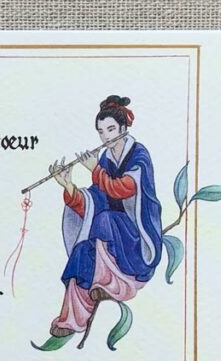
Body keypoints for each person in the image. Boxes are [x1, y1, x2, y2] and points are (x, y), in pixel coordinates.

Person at [47, 95, 163, 340]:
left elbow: (122, 189)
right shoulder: (106, 160)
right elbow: (95, 201)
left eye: (111, 129)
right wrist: (69, 186)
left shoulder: (139, 155)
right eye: (101, 132)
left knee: (105, 219)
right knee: (81, 250)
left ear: (123, 128)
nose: (106, 137)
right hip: (111, 236)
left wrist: (95, 170)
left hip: (137, 242)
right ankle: (72, 319)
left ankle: (109, 283)